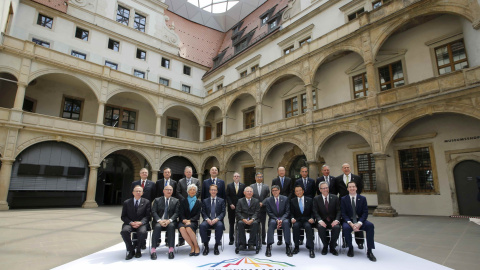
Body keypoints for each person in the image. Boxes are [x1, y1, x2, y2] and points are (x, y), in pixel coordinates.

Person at [341, 181, 376, 262]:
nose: (352, 188)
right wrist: (350, 223)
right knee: (345, 228)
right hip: (349, 222)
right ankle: (350, 248)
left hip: (360, 221)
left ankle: (370, 251)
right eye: (350, 187)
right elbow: (343, 213)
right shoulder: (343, 199)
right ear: (347, 189)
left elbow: (365, 212)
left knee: (370, 226)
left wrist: (359, 223)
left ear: (356, 188)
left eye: (353, 186)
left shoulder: (362, 198)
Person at [335, 163, 364, 248]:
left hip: (355, 202)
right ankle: (345, 241)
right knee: (345, 221)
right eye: (344, 168)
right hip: (343, 203)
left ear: (350, 168)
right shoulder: (338, 179)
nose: (346, 169)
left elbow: (360, 188)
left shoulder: (357, 178)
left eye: (348, 167)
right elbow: (336, 190)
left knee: (357, 219)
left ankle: (360, 242)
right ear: (342, 169)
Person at [120, 186, 151, 260]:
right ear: (133, 192)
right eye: (136, 191)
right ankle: (130, 250)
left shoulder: (146, 202)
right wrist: (131, 222)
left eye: (140, 191)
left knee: (142, 232)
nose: (138, 192)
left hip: (141, 223)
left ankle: (138, 250)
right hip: (130, 223)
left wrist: (141, 222)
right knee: (124, 231)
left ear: (142, 193)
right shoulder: (127, 202)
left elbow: (148, 216)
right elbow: (123, 216)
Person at [150, 185, 179, 260]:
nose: (169, 191)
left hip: (170, 221)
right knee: (157, 227)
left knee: (171, 226)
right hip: (159, 221)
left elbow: (176, 213)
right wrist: (160, 221)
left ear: (172, 191)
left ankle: (171, 249)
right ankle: (153, 250)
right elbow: (153, 212)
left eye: (170, 190)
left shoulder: (176, 201)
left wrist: (169, 220)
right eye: (167, 189)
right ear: (163, 191)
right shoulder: (157, 200)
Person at [313, 181, 340, 256]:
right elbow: (315, 211)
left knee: (337, 227)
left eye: (326, 188)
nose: (325, 189)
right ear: (320, 189)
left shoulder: (335, 197)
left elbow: (338, 210)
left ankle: (332, 246)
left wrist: (336, 220)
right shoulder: (316, 199)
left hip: (333, 220)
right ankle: (325, 246)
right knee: (320, 227)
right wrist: (320, 220)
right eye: (323, 188)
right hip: (322, 220)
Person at [176, 166, 201, 246]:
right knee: (182, 220)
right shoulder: (180, 181)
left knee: (191, 221)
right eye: (187, 172)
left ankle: (193, 239)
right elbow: (178, 192)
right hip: (183, 204)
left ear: (192, 173)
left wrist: (193, 199)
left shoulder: (196, 180)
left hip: (193, 203)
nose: (188, 173)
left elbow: (199, 191)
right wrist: (185, 200)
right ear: (184, 173)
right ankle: (181, 240)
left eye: (190, 172)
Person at [265, 185, 292, 257]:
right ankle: (268, 246)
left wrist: (281, 219)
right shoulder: (268, 200)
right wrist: (277, 219)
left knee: (286, 223)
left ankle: (288, 246)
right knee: (271, 223)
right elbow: (269, 212)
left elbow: (287, 212)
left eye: (276, 190)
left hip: (284, 218)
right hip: (274, 218)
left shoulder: (285, 199)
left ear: (279, 191)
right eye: (273, 190)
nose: (275, 192)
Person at [199, 184, 226, 255]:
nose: (213, 191)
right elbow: (203, 212)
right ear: (209, 191)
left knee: (220, 226)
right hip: (207, 220)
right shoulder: (205, 201)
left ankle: (216, 246)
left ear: (217, 191)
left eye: (215, 190)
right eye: (212, 190)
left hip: (217, 220)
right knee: (202, 226)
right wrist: (207, 219)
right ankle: (206, 246)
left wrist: (217, 219)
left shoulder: (221, 200)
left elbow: (223, 213)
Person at [290, 185, 315, 258]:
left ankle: (311, 248)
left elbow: (313, 211)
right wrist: (292, 218)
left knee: (308, 227)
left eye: (300, 190)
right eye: (297, 191)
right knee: (295, 226)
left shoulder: (310, 200)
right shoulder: (292, 201)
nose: (298, 192)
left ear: (303, 191)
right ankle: (296, 247)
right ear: (295, 193)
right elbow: (291, 213)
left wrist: (312, 218)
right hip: (297, 220)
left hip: (307, 220)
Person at [271, 166, 293, 245]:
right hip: (277, 203)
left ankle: (287, 239)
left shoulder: (289, 180)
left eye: (283, 170)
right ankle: (280, 239)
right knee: (278, 218)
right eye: (280, 171)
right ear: (278, 172)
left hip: (287, 202)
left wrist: (287, 199)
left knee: (286, 221)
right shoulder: (275, 180)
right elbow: (272, 191)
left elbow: (291, 191)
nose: (281, 172)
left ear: (285, 171)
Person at [178, 184, 201, 256]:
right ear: (188, 191)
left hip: (193, 221)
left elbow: (198, 215)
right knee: (182, 228)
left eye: (194, 190)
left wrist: (190, 220)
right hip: (183, 220)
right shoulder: (183, 201)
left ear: (196, 192)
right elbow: (180, 212)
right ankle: (192, 246)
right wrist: (184, 220)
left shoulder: (198, 202)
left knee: (188, 228)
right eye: (191, 189)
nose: (192, 191)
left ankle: (196, 246)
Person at [225, 172, 245, 245]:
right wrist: (230, 204)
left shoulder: (243, 186)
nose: (236, 177)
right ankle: (231, 239)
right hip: (231, 208)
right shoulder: (229, 186)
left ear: (239, 177)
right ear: (233, 178)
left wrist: (241, 205)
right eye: (235, 176)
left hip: (240, 208)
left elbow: (243, 197)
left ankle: (240, 238)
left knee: (240, 223)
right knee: (231, 223)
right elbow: (227, 196)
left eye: (238, 176)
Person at [250, 172, 270, 245]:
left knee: (263, 224)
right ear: (255, 178)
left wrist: (262, 203)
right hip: (254, 209)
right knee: (255, 224)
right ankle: (254, 239)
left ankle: (263, 239)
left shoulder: (266, 186)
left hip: (263, 208)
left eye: (261, 177)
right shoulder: (251, 186)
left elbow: (268, 196)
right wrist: (256, 204)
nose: (259, 178)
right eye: (258, 177)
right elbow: (250, 196)